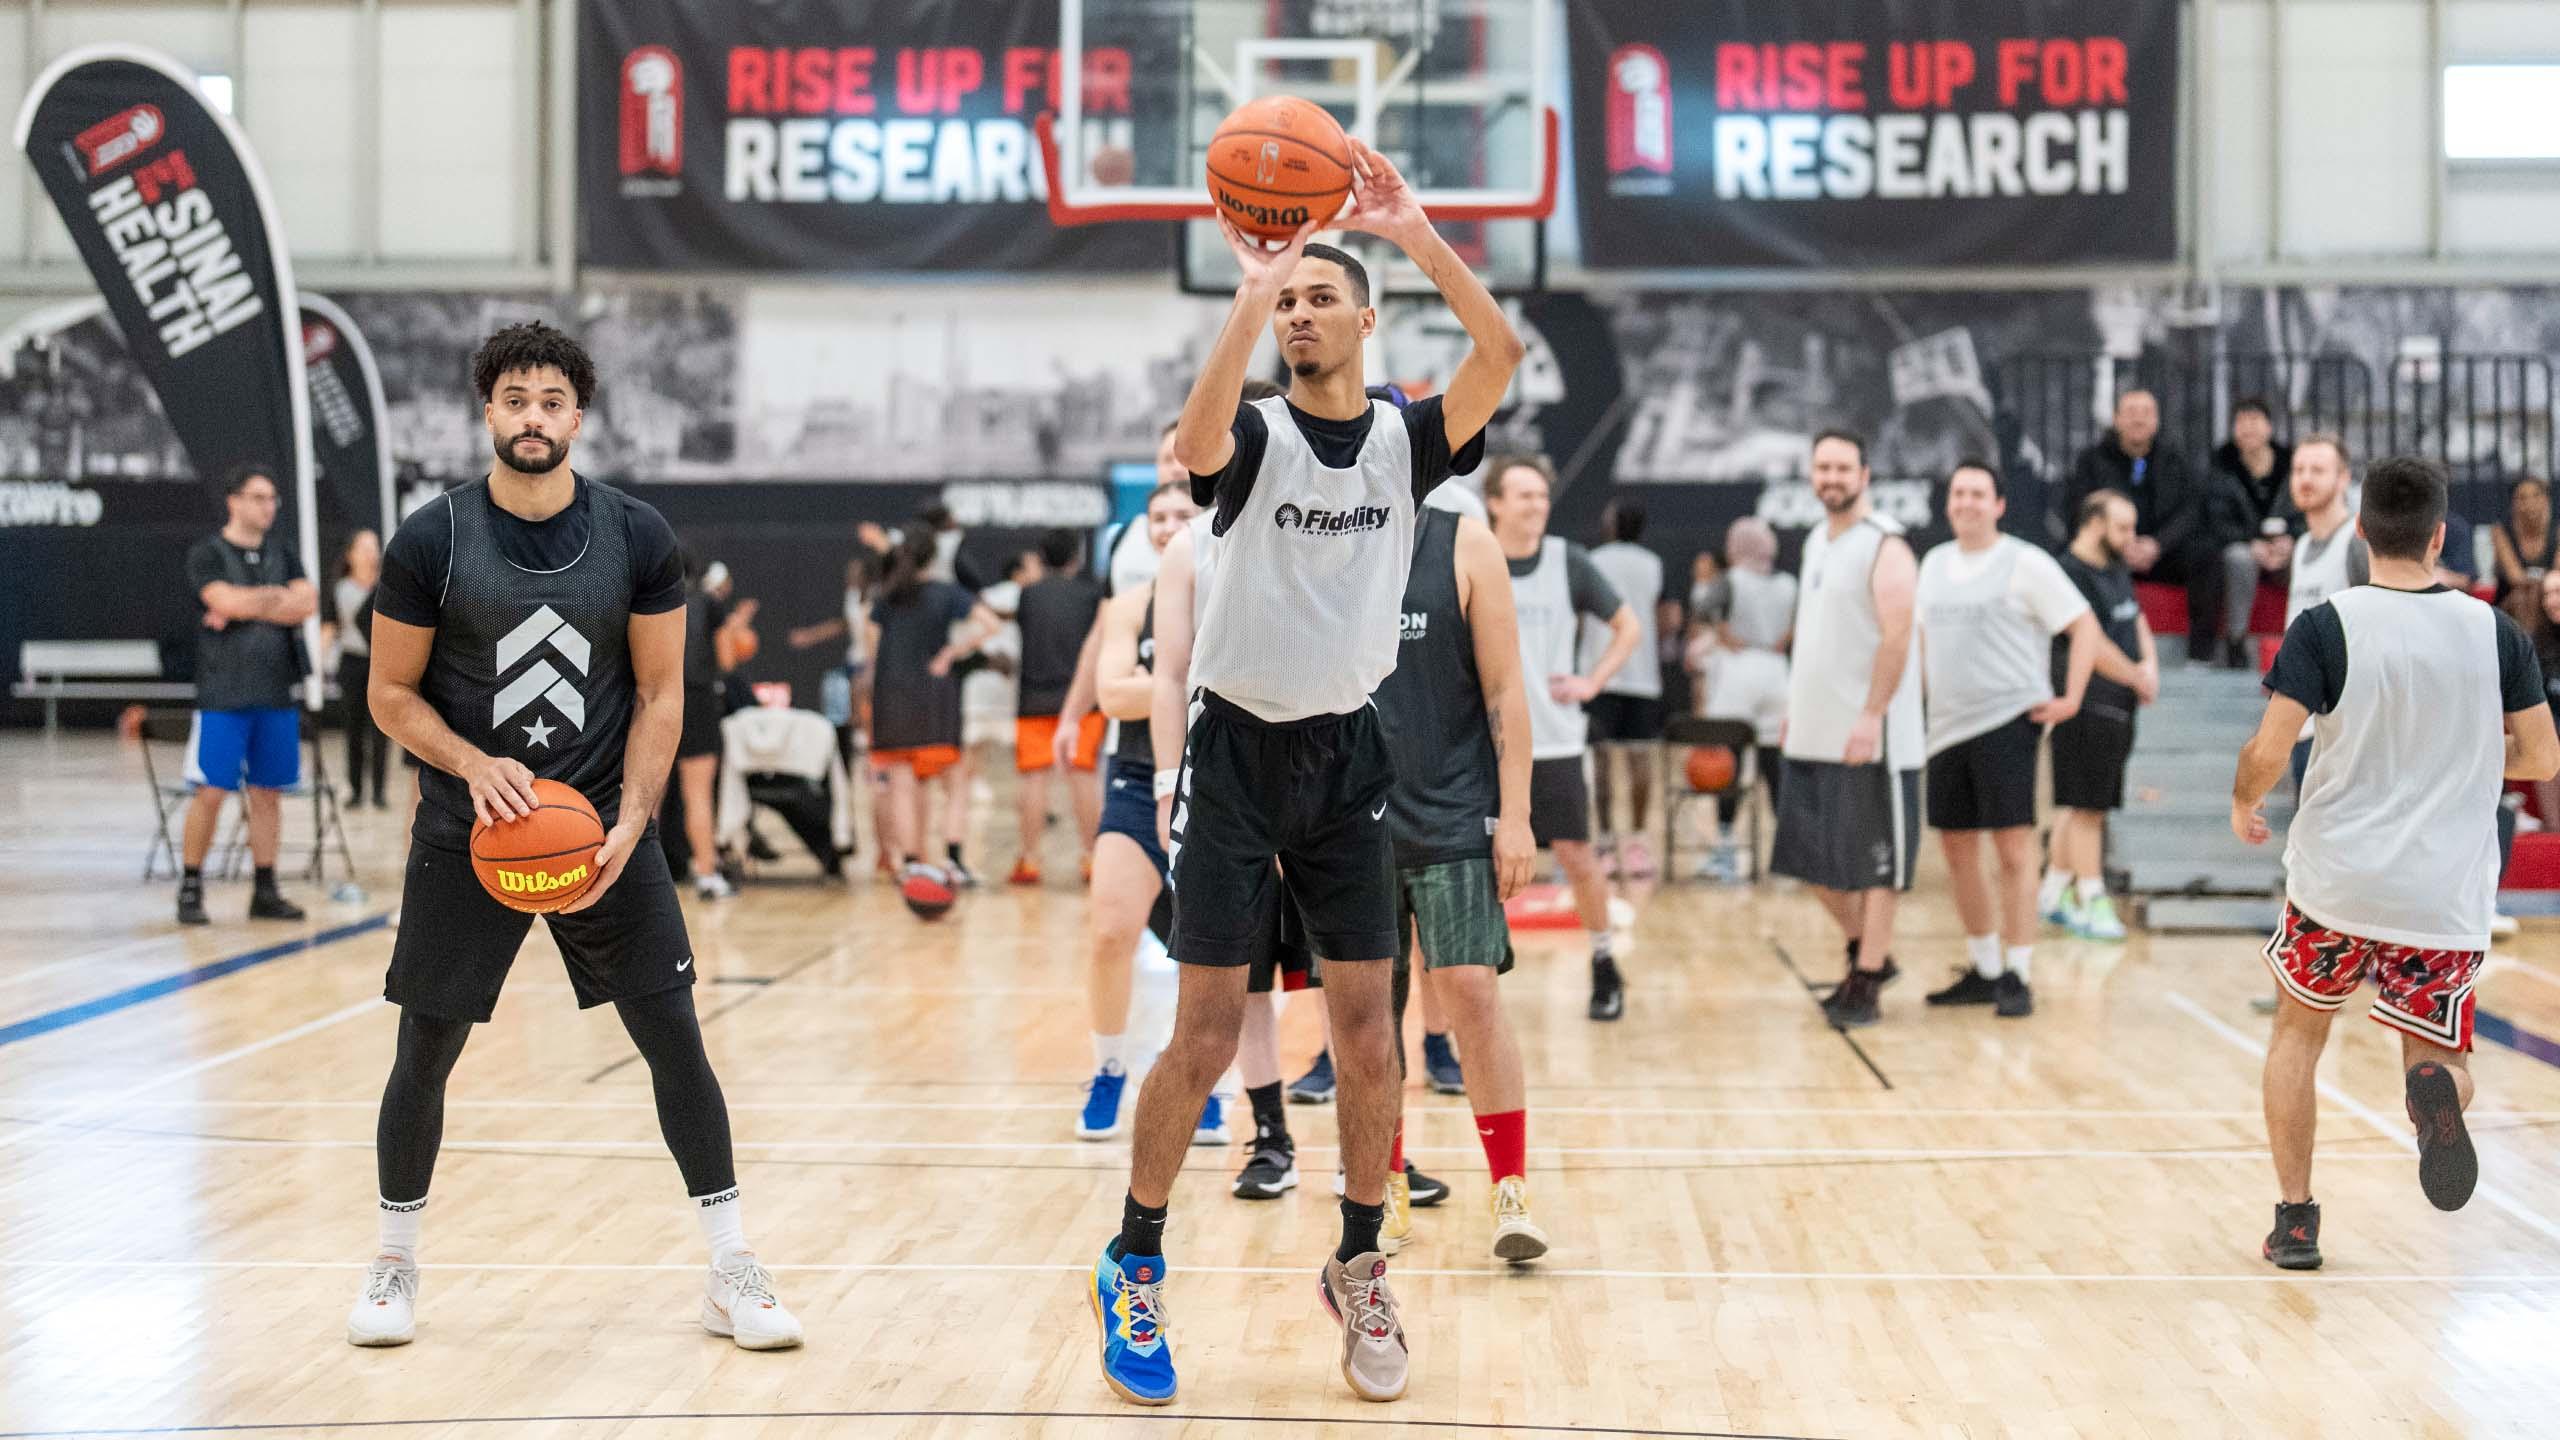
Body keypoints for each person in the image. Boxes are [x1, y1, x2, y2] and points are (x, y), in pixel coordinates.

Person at [1091, 136, 1521, 1409]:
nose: (1299, 312)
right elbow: (1192, 435)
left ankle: (1358, 1261)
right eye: (1288, 302)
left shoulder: (1407, 439)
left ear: (1365, 319)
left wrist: (1413, 230)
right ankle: (1134, 1258)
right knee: (1208, 1031)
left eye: (1318, 295)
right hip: (1233, 753)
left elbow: (1499, 358)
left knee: (1368, 1032)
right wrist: (1248, 281)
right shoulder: (1257, 436)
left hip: (1349, 755)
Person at [353, 321, 801, 1350]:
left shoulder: (636, 535)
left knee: (674, 1041)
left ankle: (732, 1267)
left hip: (601, 831)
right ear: (488, 412)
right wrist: (471, 765)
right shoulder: (434, 538)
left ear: (578, 418)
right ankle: (392, 1264)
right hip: (470, 834)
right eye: (514, 400)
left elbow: (659, 693)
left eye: (551, 401)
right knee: (424, 1047)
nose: (533, 418)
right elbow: (388, 693)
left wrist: (635, 819)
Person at [2232, 454, 2558, 1269]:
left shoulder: (2325, 624)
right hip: (2441, 893)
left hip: (2337, 883)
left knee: (2298, 1036)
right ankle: (2437, 1095)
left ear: (2363, 529)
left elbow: (2272, 750)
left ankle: (2296, 1221)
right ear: (2441, 534)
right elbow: (2544, 758)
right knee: (2438, 1055)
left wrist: (2245, 801)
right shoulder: (2495, 630)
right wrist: (2468, 758)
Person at [1371, 500, 1545, 1261]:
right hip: (1355, 819)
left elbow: (1506, 692)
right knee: (1368, 1009)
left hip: (1454, 811)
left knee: (1470, 988)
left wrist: (1516, 816)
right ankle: (1383, 1179)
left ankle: (1510, 1189)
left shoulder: (1466, 544)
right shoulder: (1329, 539)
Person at [1914, 462, 2134, 1018]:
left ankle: (2019, 970)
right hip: (1944, 729)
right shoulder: (1933, 564)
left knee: (2012, 850)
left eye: (1977, 493)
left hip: (2008, 722)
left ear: (1999, 504)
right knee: (1956, 850)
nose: (1966, 501)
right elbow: (1921, 644)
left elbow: (2085, 627)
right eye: (1958, 492)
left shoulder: (2026, 562)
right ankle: (1984, 968)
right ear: (1949, 504)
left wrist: (2072, 699)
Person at [1770, 430, 1922, 1029]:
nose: (1831, 477)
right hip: (1812, 731)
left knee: (1874, 867)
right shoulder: (1815, 541)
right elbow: (1817, 637)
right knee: (1812, 864)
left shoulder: (1885, 545)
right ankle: (1871, 956)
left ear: (1865, 474)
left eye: (1842, 467)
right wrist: (1794, 706)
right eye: (1822, 467)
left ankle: (1865, 978)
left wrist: (1872, 715)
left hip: (1871, 741)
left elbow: (1897, 635)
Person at [1484, 455, 1641, 1020]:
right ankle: (1472, 984)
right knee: (1474, 863)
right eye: (1524, 495)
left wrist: (1593, 681)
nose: (1537, 506)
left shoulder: (1566, 562)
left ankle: (1604, 963)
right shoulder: (1476, 556)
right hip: (1485, 745)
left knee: (1576, 853)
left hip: (1553, 741)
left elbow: (1628, 626)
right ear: (1495, 502)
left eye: (1542, 496)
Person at [1076, 484, 1206, 1139]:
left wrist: (1150, 688)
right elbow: (1110, 695)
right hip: (1133, 779)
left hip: (1214, 783)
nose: (1168, 526)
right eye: (1158, 517)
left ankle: (1205, 1078)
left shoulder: (1224, 597)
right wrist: (1182, 685)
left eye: (1181, 514)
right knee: (1109, 933)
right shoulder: (1128, 604)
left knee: (1209, 950)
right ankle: (1108, 1070)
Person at [177, 464, 316, 926]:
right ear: (233, 501)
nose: (268, 506)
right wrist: (272, 602)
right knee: (212, 791)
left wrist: (248, 604)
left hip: (276, 692)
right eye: (258, 497)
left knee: (267, 794)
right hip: (223, 695)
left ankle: (265, 887)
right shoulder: (209, 554)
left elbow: (308, 602)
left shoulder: (283, 552)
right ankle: (192, 885)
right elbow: (223, 601)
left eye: (272, 497)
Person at [2038, 490, 2161, 942]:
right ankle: (2091, 897)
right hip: (2086, 702)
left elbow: (2135, 617)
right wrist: (2134, 676)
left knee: (2082, 804)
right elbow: (2092, 643)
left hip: (2120, 703)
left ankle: (2052, 892)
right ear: (2093, 523)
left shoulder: (2114, 566)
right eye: (2122, 527)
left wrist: (2149, 665)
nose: (2131, 538)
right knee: (2089, 808)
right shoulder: (2066, 573)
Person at [864, 530, 1001, 883]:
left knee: (902, 785)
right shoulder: (946, 593)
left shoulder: (887, 597)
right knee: (956, 782)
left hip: (891, 697)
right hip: (933, 698)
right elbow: (991, 624)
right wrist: (951, 653)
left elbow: (871, 653)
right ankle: (954, 859)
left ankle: (911, 864)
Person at [2064, 389, 2213, 655]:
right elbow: (2080, 510)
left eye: (2146, 413)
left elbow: (2190, 511)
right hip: (2110, 552)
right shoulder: (2092, 460)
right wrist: (2120, 543)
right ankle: (2092, 648)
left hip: (2161, 553)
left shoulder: (2174, 460)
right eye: (2131, 413)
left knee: (2206, 555)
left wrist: (2157, 544)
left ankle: (2201, 656)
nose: (2138, 420)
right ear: (2117, 419)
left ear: (2156, 421)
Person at [1698, 518, 1794, 882]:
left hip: (1739, 670)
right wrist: (1780, 639)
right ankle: (1787, 859)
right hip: (1776, 670)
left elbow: (1704, 608)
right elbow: (1800, 621)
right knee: (1776, 769)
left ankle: (1725, 853)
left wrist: (1726, 634)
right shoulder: (1789, 584)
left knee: (1728, 767)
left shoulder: (1731, 580)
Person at [1583, 498, 1675, 879]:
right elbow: (1669, 617)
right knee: (1640, 761)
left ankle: (1604, 842)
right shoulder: (1653, 564)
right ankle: (1637, 843)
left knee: (1602, 761)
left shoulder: (1593, 560)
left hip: (1598, 673)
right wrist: (1652, 638)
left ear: (1614, 524)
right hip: (1642, 677)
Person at [1014, 530, 1107, 884]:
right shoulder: (1091, 595)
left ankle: (1029, 860)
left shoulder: (1028, 595)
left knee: (1033, 778)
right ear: (1075, 557)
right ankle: (1092, 858)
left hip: (1033, 699)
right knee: (1083, 776)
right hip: (1082, 701)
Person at [2206, 398, 2298, 670]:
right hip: (2246, 546)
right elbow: (2217, 519)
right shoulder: (2221, 468)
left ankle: (2304, 637)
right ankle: (2236, 641)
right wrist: (2251, 542)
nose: (2249, 429)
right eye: (2242, 423)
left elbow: (2304, 512)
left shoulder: (2292, 465)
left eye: (2255, 421)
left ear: (2269, 428)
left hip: (2285, 546)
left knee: (2307, 554)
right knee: (2238, 557)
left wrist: (2292, 538)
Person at [675, 559, 738, 901]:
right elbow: (728, 660)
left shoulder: (643, 597)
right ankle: (708, 875)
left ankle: (631, 880)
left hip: (651, 699)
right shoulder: (709, 603)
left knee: (645, 797)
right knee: (697, 794)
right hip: (697, 700)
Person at [335, 529, 391, 810]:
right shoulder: (341, 588)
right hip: (352, 661)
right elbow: (333, 626)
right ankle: (355, 789)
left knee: (382, 730)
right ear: (351, 554)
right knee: (353, 729)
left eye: (375, 547)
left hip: (381, 661)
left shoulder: (388, 586)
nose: (371, 553)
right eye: (364, 547)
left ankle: (380, 791)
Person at [2490, 476, 2555, 626]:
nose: (2530, 503)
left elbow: (2556, 575)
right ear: (2513, 503)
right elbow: (2515, 577)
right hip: (2510, 602)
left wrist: (2537, 581)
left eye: (2536, 495)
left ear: (2546, 499)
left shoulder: (2557, 531)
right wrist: (2541, 578)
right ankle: (2530, 647)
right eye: (2522, 498)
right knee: (2525, 596)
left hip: (2550, 599)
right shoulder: (2500, 531)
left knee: (2543, 596)